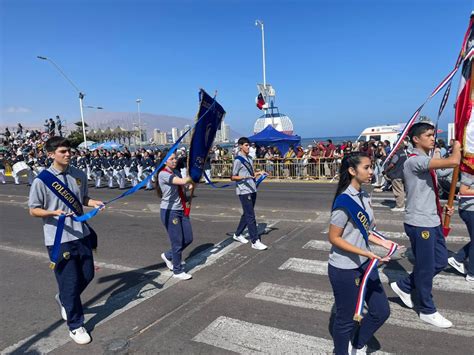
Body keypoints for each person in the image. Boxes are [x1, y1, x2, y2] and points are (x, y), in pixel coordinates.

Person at [28, 136, 103, 344]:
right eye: (63, 151)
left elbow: (83, 198)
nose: (68, 154)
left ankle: (64, 299)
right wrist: (52, 213)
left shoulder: (78, 175)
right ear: (51, 154)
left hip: (82, 234)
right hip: (59, 238)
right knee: (69, 282)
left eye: (69, 151)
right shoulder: (42, 180)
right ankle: (76, 325)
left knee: (87, 275)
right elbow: (33, 210)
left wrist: (94, 202)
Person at [390, 122, 461, 328]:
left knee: (439, 261)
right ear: (416, 139)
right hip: (420, 223)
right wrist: (458, 146)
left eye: (433, 135)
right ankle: (426, 309)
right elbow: (453, 161)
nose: (432, 138)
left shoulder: (426, 161)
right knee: (426, 266)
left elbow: (433, 186)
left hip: (433, 219)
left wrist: (443, 208)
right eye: (428, 135)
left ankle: (404, 286)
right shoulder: (414, 161)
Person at [328, 152, 397, 355]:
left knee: (381, 311)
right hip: (344, 268)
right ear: (352, 171)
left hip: (365, 263)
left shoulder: (365, 196)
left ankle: (358, 343)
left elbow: (365, 232)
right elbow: (334, 238)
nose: (371, 171)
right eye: (366, 167)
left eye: (371, 166)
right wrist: (366, 253)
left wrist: (386, 244)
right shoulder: (343, 201)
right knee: (345, 320)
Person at [156, 152, 194, 280]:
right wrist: (194, 174)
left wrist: (190, 186)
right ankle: (177, 270)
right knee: (177, 242)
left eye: (175, 158)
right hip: (169, 211)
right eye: (171, 159)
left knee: (188, 238)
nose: (174, 160)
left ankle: (168, 255)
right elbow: (182, 181)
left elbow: (185, 186)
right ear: (165, 161)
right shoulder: (163, 174)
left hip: (181, 209)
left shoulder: (175, 172)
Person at [231, 137, 267, 250]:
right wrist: (244, 177)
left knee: (247, 214)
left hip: (252, 189)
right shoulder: (238, 160)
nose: (248, 147)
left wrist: (259, 172)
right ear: (240, 146)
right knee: (251, 215)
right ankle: (255, 241)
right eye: (246, 145)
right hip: (243, 190)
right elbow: (232, 177)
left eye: (249, 145)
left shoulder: (250, 158)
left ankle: (237, 234)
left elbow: (250, 173)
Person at [448, 171, 474, 282]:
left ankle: (458, 258)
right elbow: (463, 191)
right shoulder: (470, 166)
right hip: (470, 209)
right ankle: (472, 273)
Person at [383, 144, 407, 212]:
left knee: (397, 191)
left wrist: (386, 170)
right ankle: (401, 204)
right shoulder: (403, 153)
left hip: (396, 174)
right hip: (402, 173)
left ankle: (399, 206)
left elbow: (392, 164)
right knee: (401, 190)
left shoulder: (397, 154)